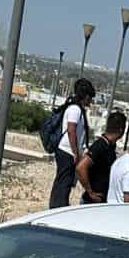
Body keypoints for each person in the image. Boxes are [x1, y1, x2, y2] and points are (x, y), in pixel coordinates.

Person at [50, 78, 95, 209]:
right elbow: (71, 130)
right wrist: (76, 152)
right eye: (90, 98)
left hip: (68, 151)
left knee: (64, 182)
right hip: (67, 151)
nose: (90, 101)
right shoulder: (75, 110)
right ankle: (57, 207)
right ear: (85, 96)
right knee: (64, 182)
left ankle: (58, 205)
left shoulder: (76, 109)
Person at [76, 111, 125, 204]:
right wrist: (90, 192)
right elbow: (80, 167)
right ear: (121, 130)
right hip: (91, 202)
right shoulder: (100, 145)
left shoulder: (109, 146)